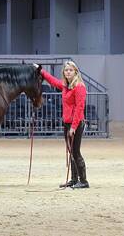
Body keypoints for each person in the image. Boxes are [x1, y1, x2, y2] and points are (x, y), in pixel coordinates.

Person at [35, 61, 89, 189]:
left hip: (76, 123)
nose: (68, 72)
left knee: (76, 152)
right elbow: (53, 81)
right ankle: (74, 179)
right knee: (71, 152)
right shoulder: (66, 86)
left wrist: (74, 127)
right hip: (67, 122)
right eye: (66, 70)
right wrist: (40, 71)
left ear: (75, 71)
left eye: (71, 70)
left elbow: (79, 108)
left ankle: (84, 181)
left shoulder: (79, 87)